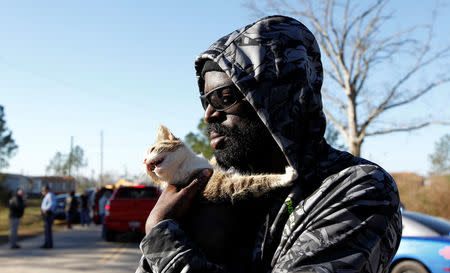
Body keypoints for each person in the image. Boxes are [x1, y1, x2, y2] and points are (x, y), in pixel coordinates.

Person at [136, 15, 402, 272]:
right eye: (206, 101)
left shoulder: (357, 188)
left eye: (225, 97)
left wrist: (163, 241)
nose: (209, 114)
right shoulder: (204, 187)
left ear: (280, 99)